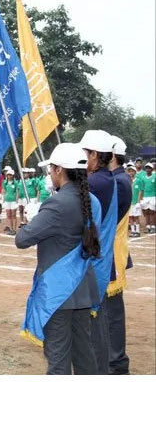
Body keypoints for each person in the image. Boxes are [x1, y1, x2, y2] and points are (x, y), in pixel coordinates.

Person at [16, 143, 102, 374]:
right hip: (83, 288)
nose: (50, 174)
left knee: (58, 360)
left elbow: (22, 239)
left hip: (58, 293)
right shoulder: (92, 201)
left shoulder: (56, 203)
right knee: (85, 357)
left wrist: (33, 217)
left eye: (51, 169)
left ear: (59, 170)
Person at [80, 129, 118, 374]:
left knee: (92, 328)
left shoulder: (95, 182)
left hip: (93, 263)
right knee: (97, 323)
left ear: (94, 155)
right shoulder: (106, 179)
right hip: (101, 260)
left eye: (84, 154)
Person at [106, 135, 133, 374]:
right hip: (110, 252)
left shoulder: (119, 181)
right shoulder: (116, 178)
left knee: (113, 312)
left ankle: (116, 361)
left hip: (112, 254)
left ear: (112, 156)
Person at [126, 163, 142, 237]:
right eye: (129, 171)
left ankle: (137, 231)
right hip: (129, 202)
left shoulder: (138, 180)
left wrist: (138, 202)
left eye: (132, 171)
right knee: (130, 217)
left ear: (135, 172)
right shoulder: (127, 181)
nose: (131, 173)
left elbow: (140, 191)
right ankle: (133, 231)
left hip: (135, 202)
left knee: (136, 217)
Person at [139, 162, 156, 234]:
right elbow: (142, 189)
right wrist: (140, 198)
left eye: (149, 168)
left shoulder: (155, 177)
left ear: (152, 169)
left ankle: (153, 226)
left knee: (152, 211)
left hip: (153, 196)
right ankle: (148, 226)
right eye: (147, 168)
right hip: (145, 196)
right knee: (146, 211)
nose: (148, 169)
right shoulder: (143, 178)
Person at [2, 168, 18, 235]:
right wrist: (3, 199)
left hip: (13, 200)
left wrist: (16, 200)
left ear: (13, 175)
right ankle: (11, 229)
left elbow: (17, 191)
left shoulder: (15, 182)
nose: (9, 176)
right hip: (7, 200)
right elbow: (4, 191)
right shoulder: (5, 182)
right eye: (8, 175)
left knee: (13, 215)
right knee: (9, 215)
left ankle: (14, 229)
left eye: (11, 175)